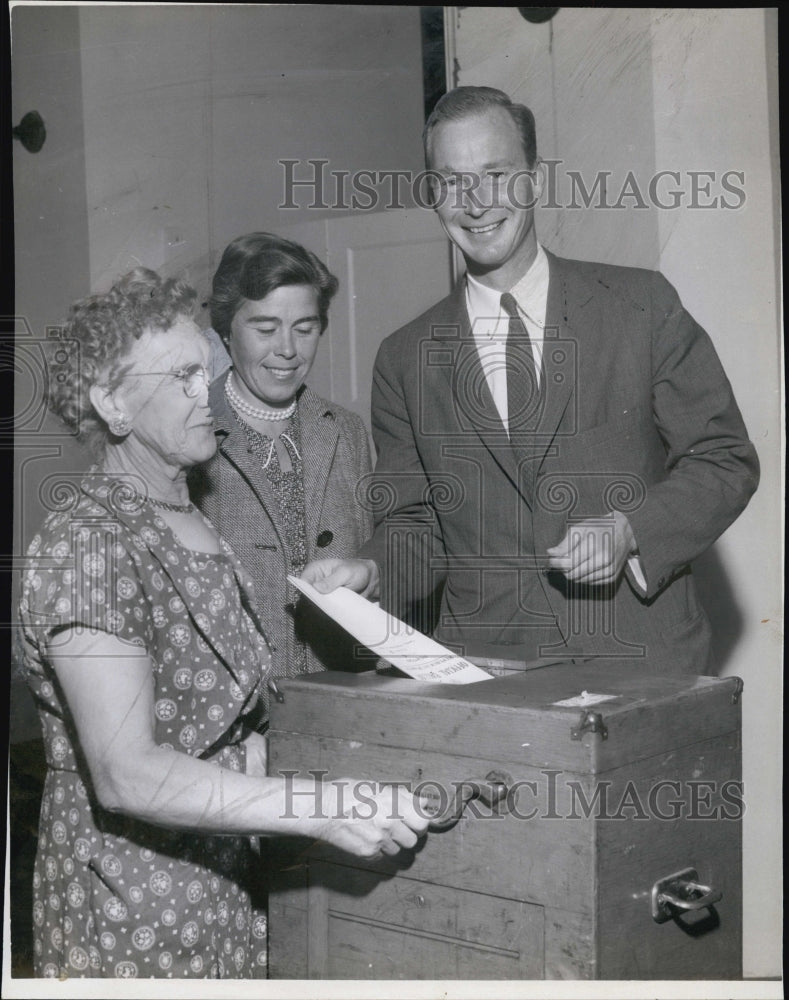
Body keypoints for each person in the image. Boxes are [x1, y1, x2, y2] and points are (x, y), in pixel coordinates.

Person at [18, 268, 428, 980]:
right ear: (112, 403)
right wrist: (317, 806)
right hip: (129, 899)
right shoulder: (89, 543)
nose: (203, 394)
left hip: (221, 879)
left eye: (203, 371)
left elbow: (226, 728)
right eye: (179, 376)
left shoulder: (186, 519)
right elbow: (127, 774)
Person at [302, 86, 760, 674]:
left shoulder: (640, 305)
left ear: (535, 181)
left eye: (497, 173)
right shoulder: (403, 358)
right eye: (453, 181)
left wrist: (629, 529)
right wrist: (369, 569)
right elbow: (415, 522)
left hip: (642, 666)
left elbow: (723, 458)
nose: (477, 203)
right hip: (489, 672)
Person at [190, 233, 374, 682]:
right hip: (233, 711)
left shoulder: (346, 431)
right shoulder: (189, 436)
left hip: (341, 697)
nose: (288, 350)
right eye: (266, 329)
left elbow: (372, 561)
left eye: (305, 328)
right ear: (226, 329)